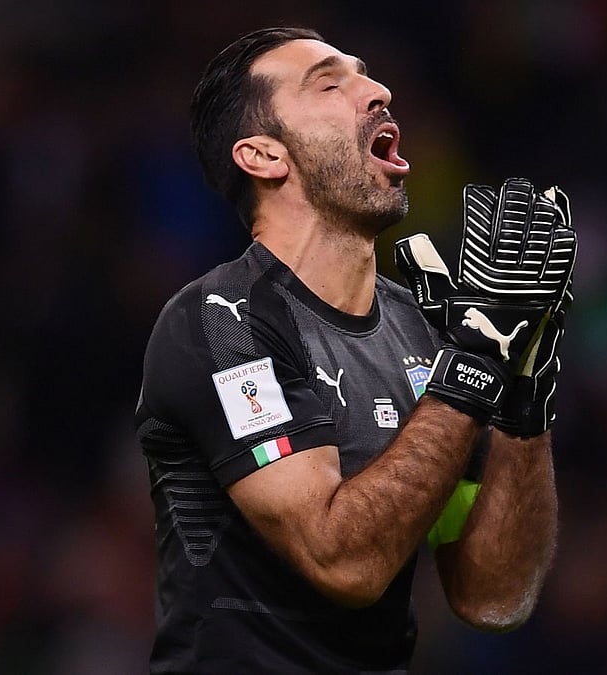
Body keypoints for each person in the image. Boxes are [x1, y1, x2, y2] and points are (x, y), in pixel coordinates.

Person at [135, 26, 576, 674]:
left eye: (366, 75)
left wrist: (521, 403)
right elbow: (342, 563)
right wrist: (474, 364)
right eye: (329, 85)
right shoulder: (220, 321)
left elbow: (492, 597)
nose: (379, 91)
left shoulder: (428, 335)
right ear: (263, 155)